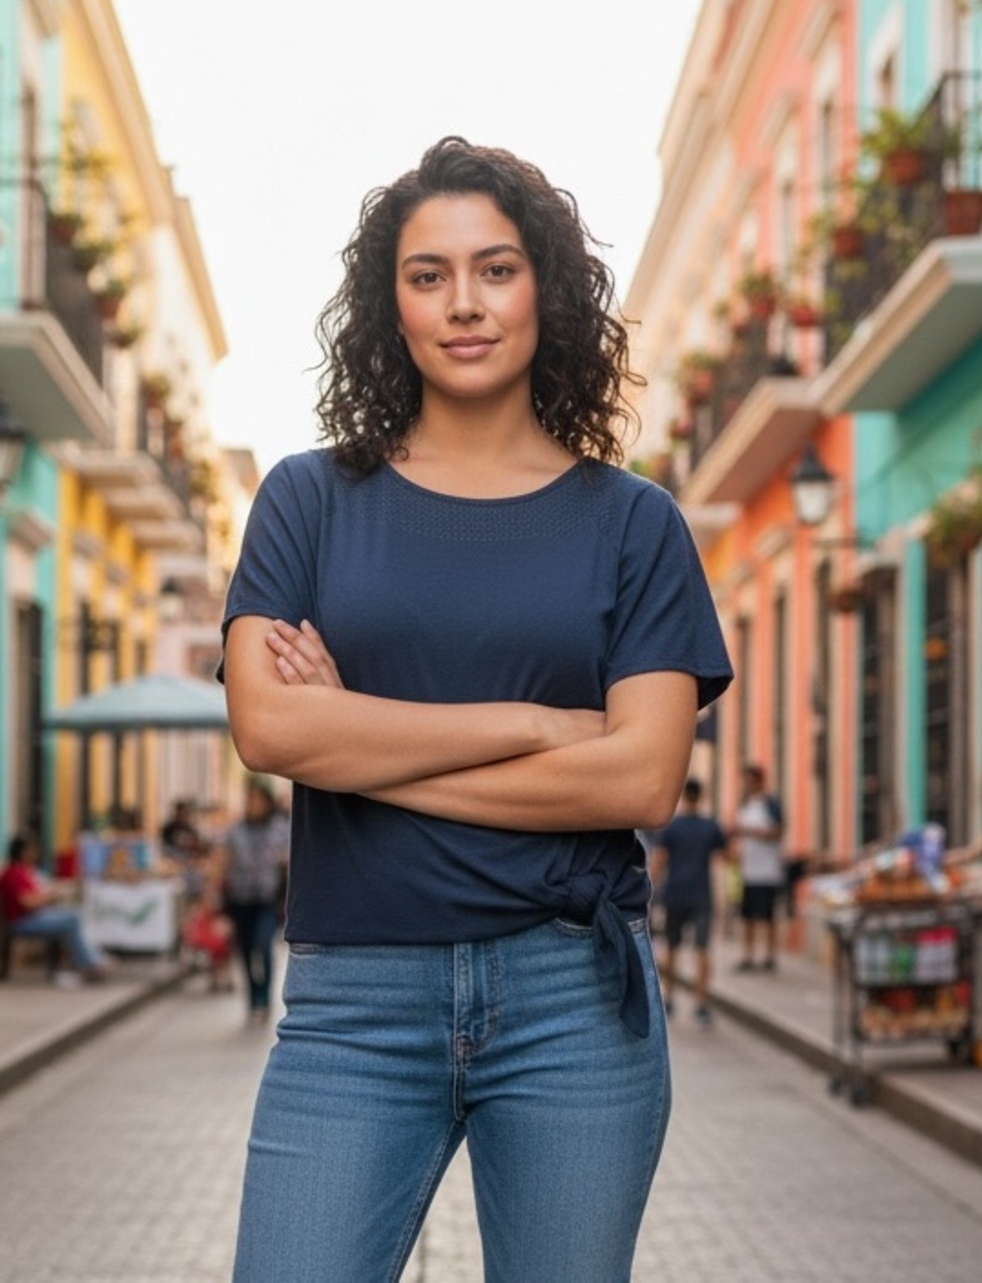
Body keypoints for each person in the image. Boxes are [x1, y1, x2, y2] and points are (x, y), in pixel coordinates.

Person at [219, 135, 733, 1282]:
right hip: (355, 1005)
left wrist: (358, 740)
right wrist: (541, 725)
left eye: (496, 269)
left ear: (546, 290)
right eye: (428, 274)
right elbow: (272, 731)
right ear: (389, 304)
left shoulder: (634, 524)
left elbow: (641, 779)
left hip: (571, 1003)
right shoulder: (306, 500)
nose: (464, 302)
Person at [644, 777, 728, 1024]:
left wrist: (647, 891)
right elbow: (728, 856)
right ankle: (701, 1003)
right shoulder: (710, 826)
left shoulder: (673, 827)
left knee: (672, 947)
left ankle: (669, 998)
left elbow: (659, 861)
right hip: (702, 894)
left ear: (683, 796)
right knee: (702, 949)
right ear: (700, 797)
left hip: (675, 894)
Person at [218, 776, 289, 1023]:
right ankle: (252, 999)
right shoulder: (235, 831)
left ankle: (265, 999)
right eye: (251, 800)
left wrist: (284, 863)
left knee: (264, 945)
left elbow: (291, 857)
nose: (254, 804)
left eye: (259, 800)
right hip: (240, 899)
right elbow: (223, 860)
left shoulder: (280, 828)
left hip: (267, 899)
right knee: (246, 950)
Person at [0, 835, 109, 982]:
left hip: (34, 917)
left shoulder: (27, 871)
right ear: (23, 851)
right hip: (22, 922)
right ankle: (89, 964)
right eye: (32, 849)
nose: (36, 852)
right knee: (72, 919)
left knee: (74, 915)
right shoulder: (14, 873)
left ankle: (91, 960)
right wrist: (54, 895)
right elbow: (28, 902)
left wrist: (53, 893)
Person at [730, 762, 784, 971]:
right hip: (748, 871)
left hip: (768, 871)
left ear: (760, 782)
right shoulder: (745, 804)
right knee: (748, 917)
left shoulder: (770, 805)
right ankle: (748, 955)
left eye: (751, 781)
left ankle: (770, 955)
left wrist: (750, 832)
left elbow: (777, 831)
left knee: (768, 916)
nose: (748, 785)